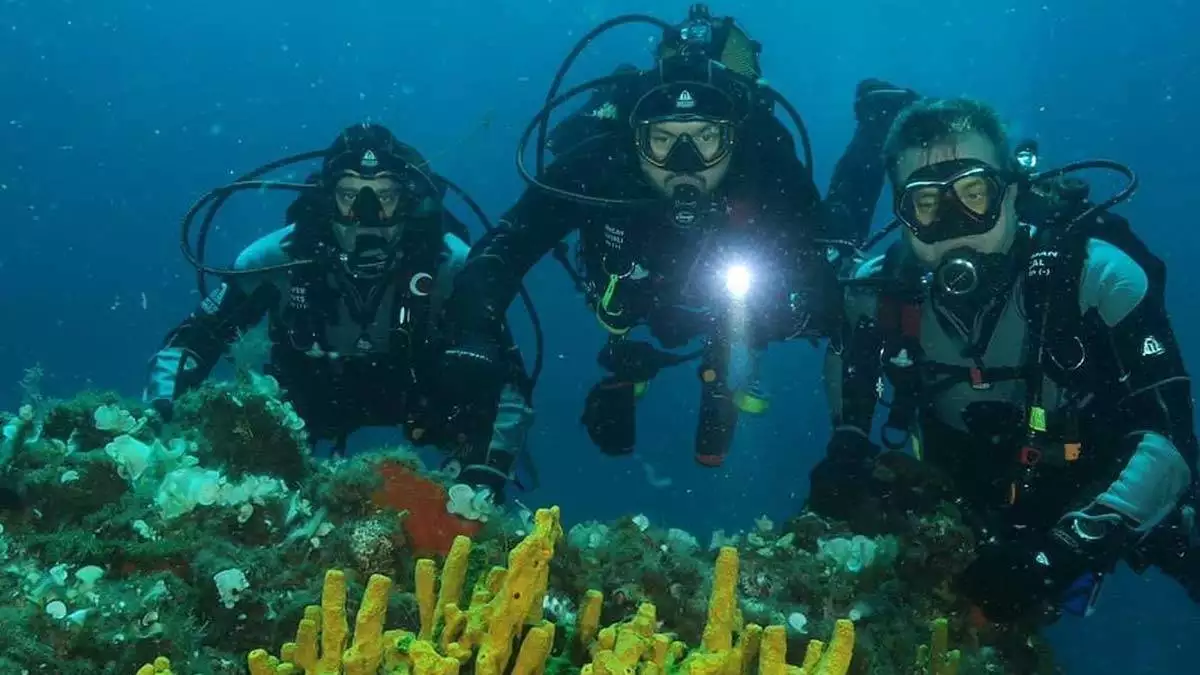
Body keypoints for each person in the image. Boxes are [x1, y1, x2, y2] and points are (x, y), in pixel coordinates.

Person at [433, 5, 918, 467]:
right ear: (633, 139)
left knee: (841, 243)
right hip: (636, 297)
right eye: (662, 140)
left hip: (735, 295)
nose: (684, 162)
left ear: (734, 137)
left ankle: (876, 125)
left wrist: (800, 305)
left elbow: (822, 255)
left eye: (706, 138)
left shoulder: (762, 162)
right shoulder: (602, 165)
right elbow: (504, 248)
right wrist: (474, 333)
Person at [811, 96, 1200, 622]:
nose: (954, 223)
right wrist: (847, 451)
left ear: (1013, 192)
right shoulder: (874, 294)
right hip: (962, 492)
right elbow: (850, 379)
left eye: (974, 194)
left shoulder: (1096, 277)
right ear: (902, 215)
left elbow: (1171, 439)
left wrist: (1058, 554)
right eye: (925, 203)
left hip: (1102, 481)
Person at [144, 123, 533, 517]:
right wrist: (158, 416)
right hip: (310, 400)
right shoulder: (277, 260)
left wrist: (487, 474)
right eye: (350, 195)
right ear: (327, 197)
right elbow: (194, 340)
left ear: (408, 199)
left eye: (385, 196)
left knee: (474, 377)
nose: (367, 214)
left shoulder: (453, 266)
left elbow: (507, 380)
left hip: (422, 399)